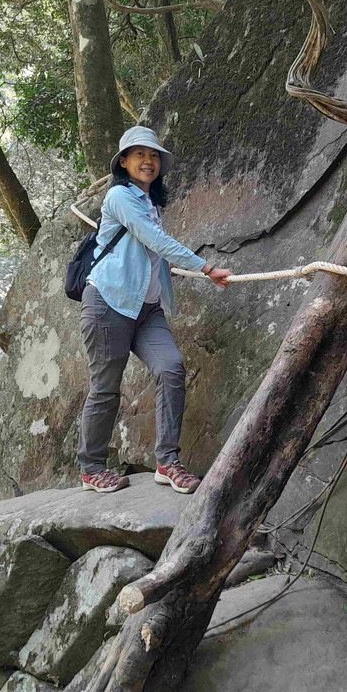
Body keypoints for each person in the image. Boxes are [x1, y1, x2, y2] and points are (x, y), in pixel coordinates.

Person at [79, 126, 232, 495]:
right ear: (123, 162)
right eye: (139, 154)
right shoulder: (119, 196)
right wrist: (206, 268)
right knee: (105, 389)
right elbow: (155, 241)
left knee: (171, 367)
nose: (148, 161)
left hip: (146, 310)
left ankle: (167, 462)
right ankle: (91, 468)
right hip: (108, 304)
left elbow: (152, 253)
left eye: (153, 155)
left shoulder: (149, 202)